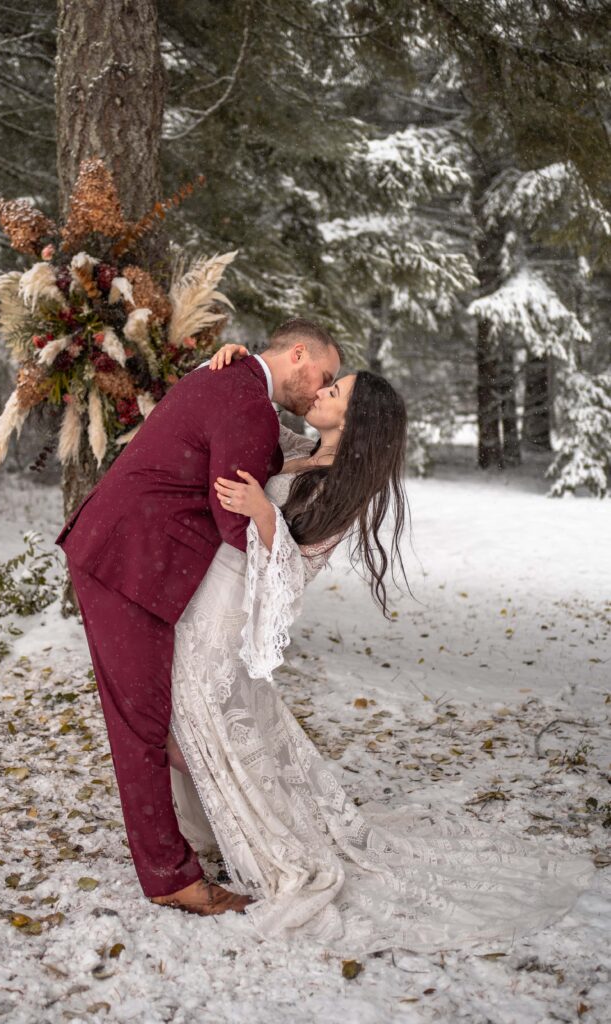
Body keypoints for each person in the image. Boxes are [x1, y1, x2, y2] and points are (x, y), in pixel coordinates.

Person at [163, 342, 596, 954]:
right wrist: (241, 359)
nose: (321, 391)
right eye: (328, 384)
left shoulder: (342, 485)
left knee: (204, 731)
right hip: (204, 600)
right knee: (202, 729)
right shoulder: (301, 451)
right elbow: (257, 410)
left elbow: (295, 572)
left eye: (334, 392)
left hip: (226, 613)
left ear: (355, 418)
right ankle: (217, 831)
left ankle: (254, 838)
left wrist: (263, 513)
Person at [55, 318, 342, 916]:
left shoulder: (233, 379)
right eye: (325, 376)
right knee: (141, 724)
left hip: (132, 561)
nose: (322, 390)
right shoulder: (246, 400)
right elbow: (234, 522)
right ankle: (170, 878)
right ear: (296, 355)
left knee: (151, 719)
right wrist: (274, 535)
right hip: (126, 564)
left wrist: (298, 473)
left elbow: (248, 464)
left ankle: (190, 844)